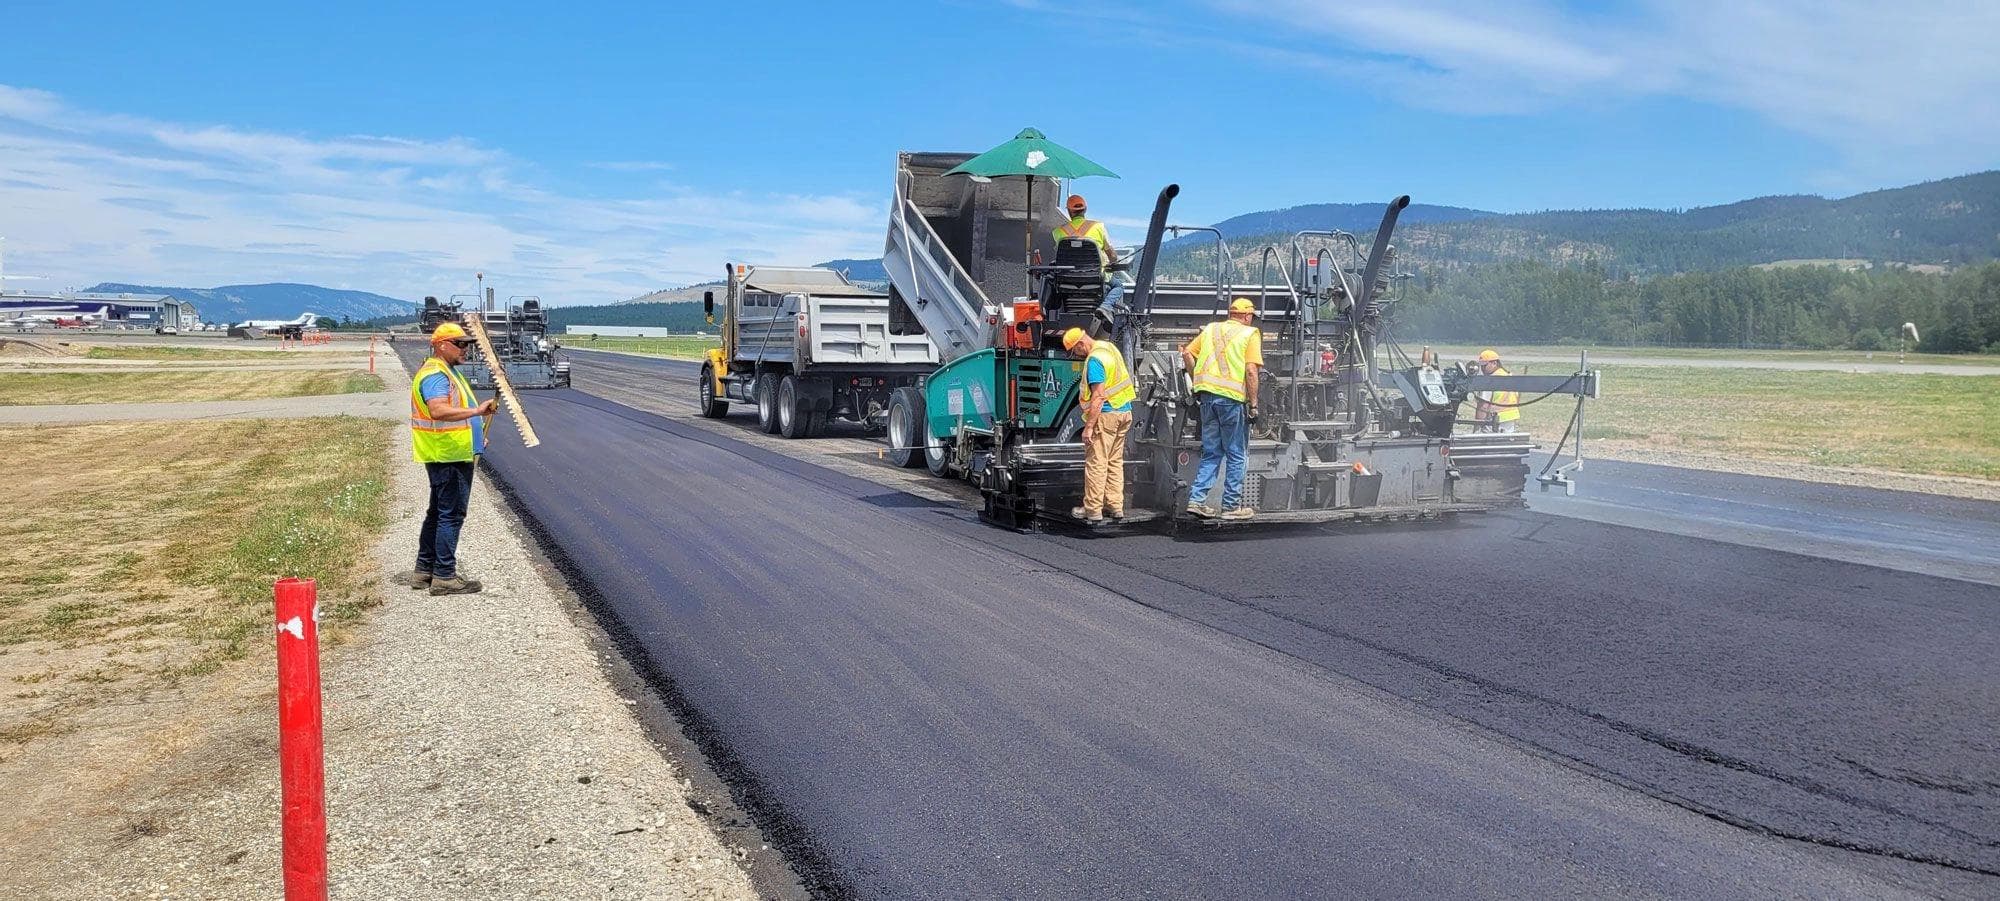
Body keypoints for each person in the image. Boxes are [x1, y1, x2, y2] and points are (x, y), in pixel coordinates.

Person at [404, 322, 498, 595]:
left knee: (437, 513)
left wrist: (476, 436)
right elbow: (438, 410)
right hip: (449, 455)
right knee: (451, 514)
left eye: (467, 344)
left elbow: (454, 413)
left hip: (447, 450)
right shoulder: (436, 375)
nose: (465, 349)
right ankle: (444, 575)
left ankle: (424, 570)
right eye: (460, 344)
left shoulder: (445, 371)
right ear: (441, 345)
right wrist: (477, 412)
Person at [1181, 298, 1263, 520]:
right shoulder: (1250, 333)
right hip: (1232, 400)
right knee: (1236, 454)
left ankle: (1197, 500)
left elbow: (1187, 353)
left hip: (1207, 398)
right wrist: (1254, 405)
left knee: (1212, 452)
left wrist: (1197, 379)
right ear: (1247, 316)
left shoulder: (1211, 329)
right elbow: (1251, 371)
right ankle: (1230, 506)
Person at [1063, 327, 1135, 523]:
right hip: (1124, 412)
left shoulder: (1094, 360)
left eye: (1075, 350)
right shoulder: (1109, 348)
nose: (1076, 354)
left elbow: (1098, 396)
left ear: (1080, 344)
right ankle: (1115, 505)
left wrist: (1088, 427)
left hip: (1106, 415)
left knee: (1097, 463)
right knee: (1114, 462)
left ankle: (1093, 509)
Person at [1052, 194, 1125, 316]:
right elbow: (1112, 255)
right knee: (1118, 286)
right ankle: (1105, 307)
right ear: (1085, 209)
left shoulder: (1058, 232)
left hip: (1067, 279)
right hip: (1096, 278)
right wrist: (1113, 263)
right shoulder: (1098, 227)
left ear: (1069, 211)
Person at [1473, 348, 1520, 433]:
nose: (1482, 369)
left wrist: (1476, 429)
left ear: (1495, 363)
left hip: (1493, 421)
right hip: (1510, 420)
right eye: (1481, 366)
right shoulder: (1509, 377)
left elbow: (1483, 406)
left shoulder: (1489, 381)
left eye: (1485, 365)